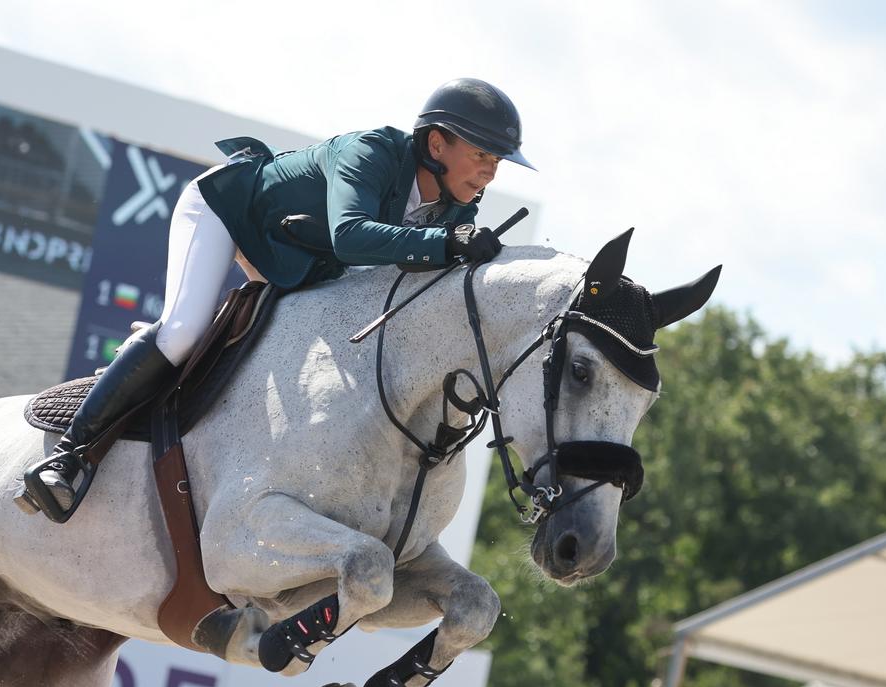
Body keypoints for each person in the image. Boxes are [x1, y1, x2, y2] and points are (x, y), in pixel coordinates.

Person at [41, 78, 535, 518]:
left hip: (296, 256)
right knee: (182, 331)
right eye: (483, 156)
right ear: (435, 143)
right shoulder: (372, 152)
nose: (490, 173)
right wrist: (448, 244)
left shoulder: (457, 202)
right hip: (228, 212)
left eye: (496, 162)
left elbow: (409, 273)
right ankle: (69, 457)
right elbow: (351, 236)